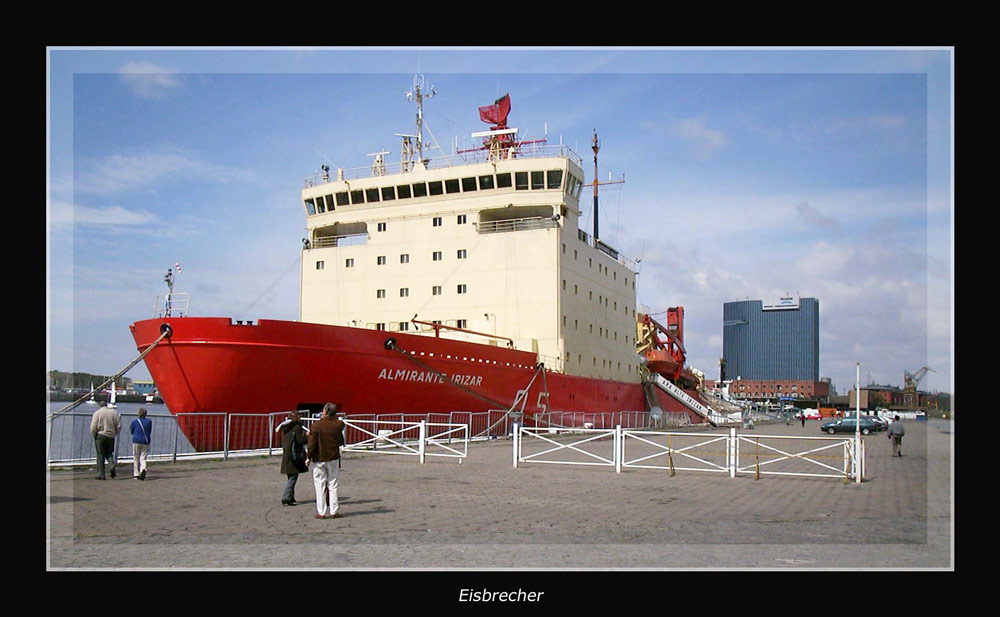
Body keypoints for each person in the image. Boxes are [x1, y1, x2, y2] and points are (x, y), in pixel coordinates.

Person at [306, 403, 346, 519]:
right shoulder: (338, 424)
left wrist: (308, 456)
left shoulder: (316, 426)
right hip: (333, 457)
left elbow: (312, 444)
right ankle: (334, 510)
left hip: (319, 458)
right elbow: (340, 439)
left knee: (320, 485)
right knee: (333, 485)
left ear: (325, 412)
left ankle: (321, 512)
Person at [279, 410, 309, 505]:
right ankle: (286, 497)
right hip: (294, 454)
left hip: (287, 454)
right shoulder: (297, 427)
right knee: (293, 477)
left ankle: (291, 496)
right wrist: (307, 436)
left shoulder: (286, 427)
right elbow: (300, 440)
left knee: (290, 476)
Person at [90, 400, 121, 480]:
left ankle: (101, 474)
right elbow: (118, 425)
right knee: (109, 453)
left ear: (99, 406)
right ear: (106, 405)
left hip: (100, 435)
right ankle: (111, 464)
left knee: (100, 455)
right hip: (111, 435)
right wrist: (115, 433)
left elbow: (93, 427)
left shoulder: (97, 413)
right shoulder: (114, 413)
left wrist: (94, 435)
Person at [129, 407, 153, 480]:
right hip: (145, 441)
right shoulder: (149, 421)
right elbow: (149, 431)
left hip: (136, 440)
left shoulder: (134, 421)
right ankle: (143, 469)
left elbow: (131, 431)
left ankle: (136, 474)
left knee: (136, 457)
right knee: (143, 457)